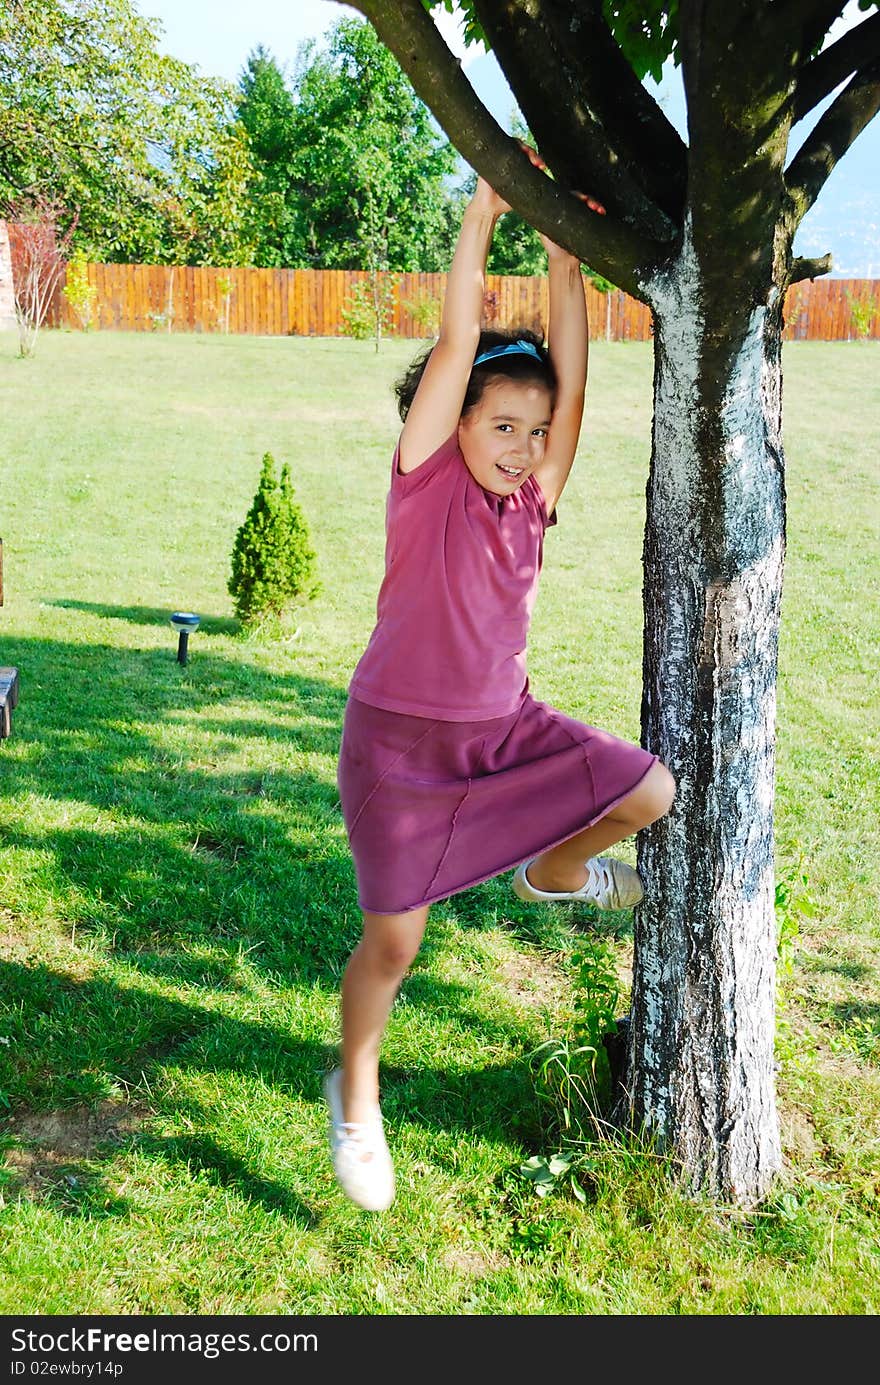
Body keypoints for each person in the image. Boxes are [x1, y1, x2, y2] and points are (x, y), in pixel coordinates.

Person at [327, 146, 677, 1211]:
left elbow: (572, 375)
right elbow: (455, 342)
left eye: (534, 430)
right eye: (500, 425)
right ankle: (356, 1095)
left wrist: (564, 252)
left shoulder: (538, 495)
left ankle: (553, 871)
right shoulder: (424, 478)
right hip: (396, 743)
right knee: (394, 940)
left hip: (503, 729)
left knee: (648, 789)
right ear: (454, 424)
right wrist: (488, 202)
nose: (523, 446)